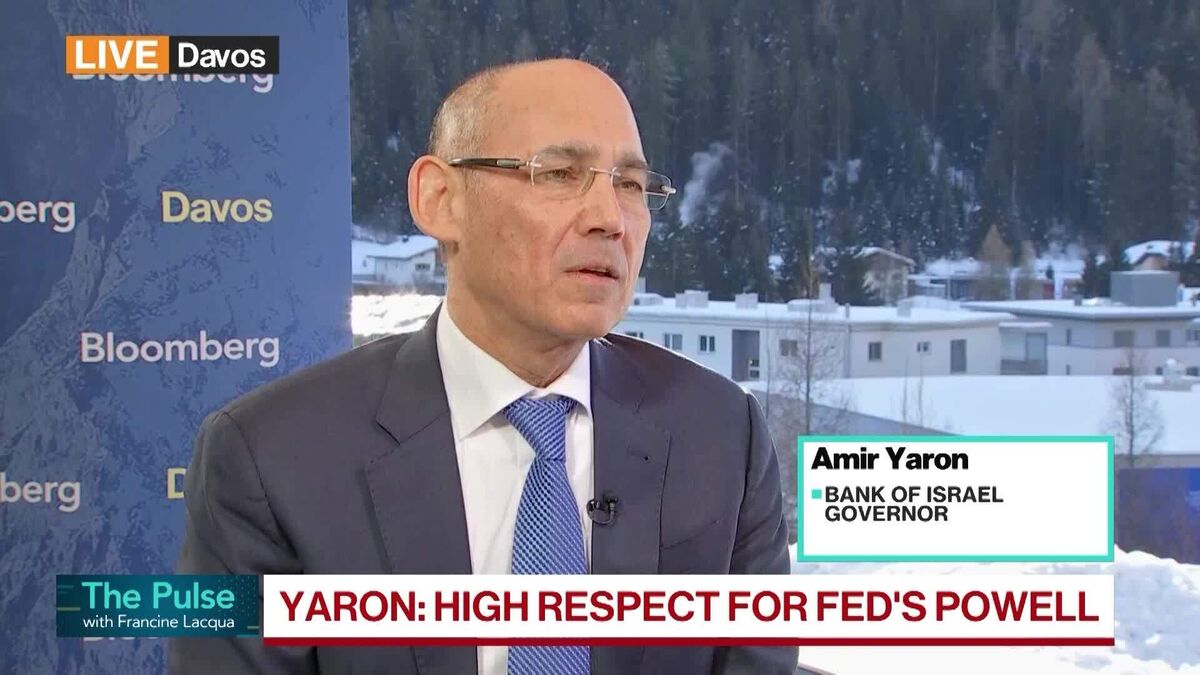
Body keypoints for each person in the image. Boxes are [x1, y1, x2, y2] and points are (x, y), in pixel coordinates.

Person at [169, 58, 795, 675]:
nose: (610, 219)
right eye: (559, 173)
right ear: (440, 199)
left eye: (630, 185)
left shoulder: (721, 435)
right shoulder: (272, 457)